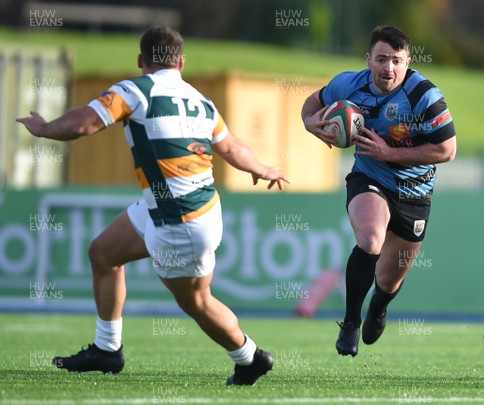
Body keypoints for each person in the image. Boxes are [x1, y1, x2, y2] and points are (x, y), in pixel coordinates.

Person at [16, 26, 288, 385]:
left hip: (181, 218)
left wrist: (46, 128)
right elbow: (233, 146)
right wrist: (263, 168)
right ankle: (107, 349)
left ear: (141, 60)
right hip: (178, 207)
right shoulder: (200, 101)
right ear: (181, 63)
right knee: (103, 253)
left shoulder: (133, 90)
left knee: (197, 303)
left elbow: (86, 124)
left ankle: (250, 357)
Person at [301, 26, 456, 357]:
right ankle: (350, 323)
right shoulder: (348, 84)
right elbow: (313, 102)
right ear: (368, 59)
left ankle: (378, 308)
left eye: (397, 61)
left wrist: (391, 153)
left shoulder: (424, 96)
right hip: (369, 178)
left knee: (388, 282)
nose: (389, 68)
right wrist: (309, 122)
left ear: (408, 61)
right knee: (370, 240)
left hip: (415, 194)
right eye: (382, 59)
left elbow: (447, 150)